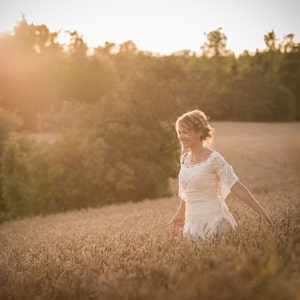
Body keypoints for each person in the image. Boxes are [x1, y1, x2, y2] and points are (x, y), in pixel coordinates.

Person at [169, 110, 273, 241]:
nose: (181, 136)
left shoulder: (214, 159)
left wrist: (262, 213)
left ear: (198, 133)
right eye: (179, 132)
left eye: (185, 132)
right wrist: (180, 214)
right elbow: (188, 191)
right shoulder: (184, 159)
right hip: (191, 223)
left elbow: (237, 187)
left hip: (215, 220)